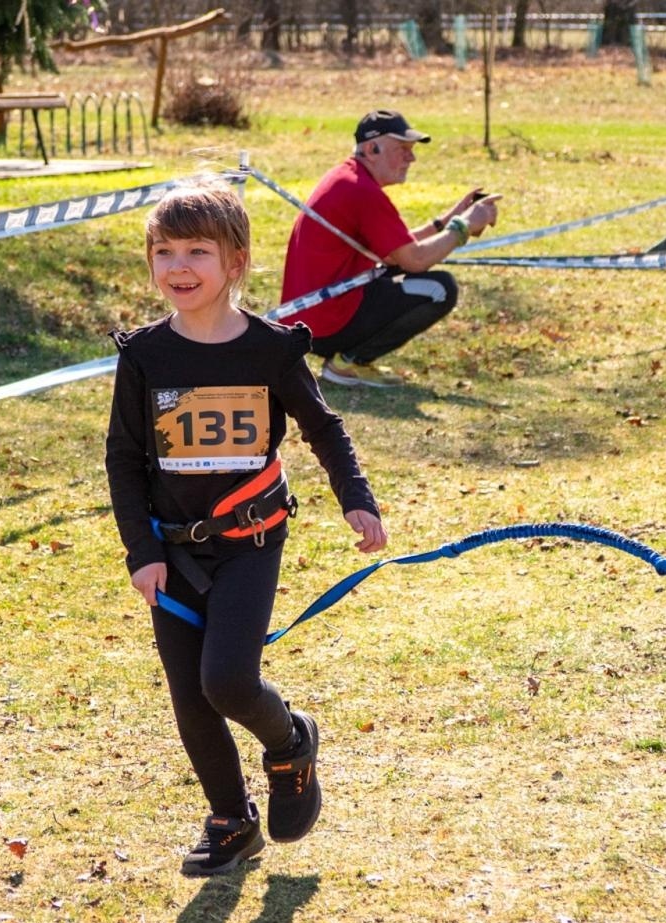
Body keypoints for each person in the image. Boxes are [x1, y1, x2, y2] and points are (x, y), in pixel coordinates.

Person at [105, 177, 388, 877]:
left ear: (235, 261)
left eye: (197, 250)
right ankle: (231, 820)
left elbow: (325, 428)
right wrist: (141, 549)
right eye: (164, 251)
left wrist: (356, 495)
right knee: (189, 695)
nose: (178, 266)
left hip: (251, 542)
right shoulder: (144, 356)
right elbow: (123, 459)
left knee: (228, 680)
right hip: (171, 551)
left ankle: (290, 741)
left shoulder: (271, 350)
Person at [279, 109, 502, 388]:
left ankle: (351, 359)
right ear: (372, 149)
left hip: (312, 319)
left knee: (404, 274)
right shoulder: (362, 191)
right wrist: (464, 226)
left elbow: (396, 250)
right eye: (403, 149)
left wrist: (449, 219)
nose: (412, 158)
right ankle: (349, 361)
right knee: (441, 288)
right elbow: (415, 260)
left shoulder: (349, 178)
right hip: (325, 321)